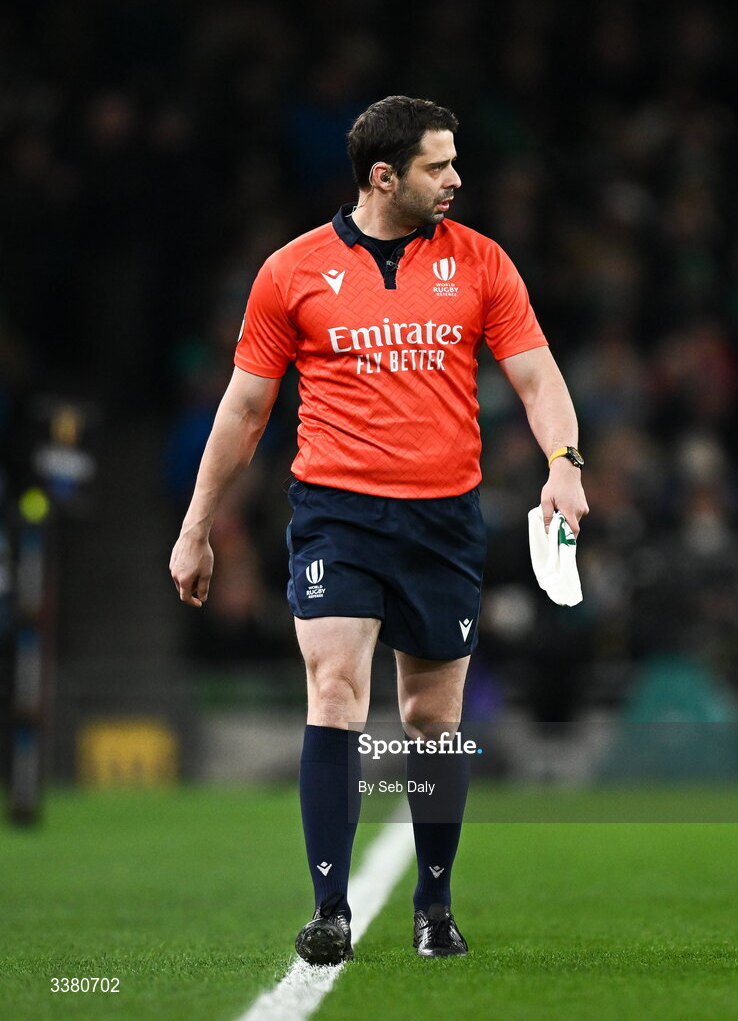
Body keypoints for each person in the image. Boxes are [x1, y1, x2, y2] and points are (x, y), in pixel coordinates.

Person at [170, 95, 588, 964]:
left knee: (431, 718)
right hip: (337, 514)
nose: (456, 179)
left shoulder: (480, 263)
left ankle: (433, 907)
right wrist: (196, 526)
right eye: (439, 166)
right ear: (383, 176)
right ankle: (330, 909)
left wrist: (563, 464)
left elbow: (539, 378)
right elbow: (245, 409)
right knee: (334, 694)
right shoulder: (291, 272)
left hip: (442, 519)